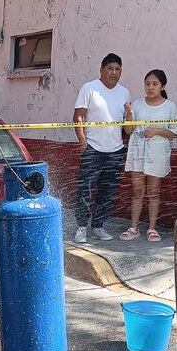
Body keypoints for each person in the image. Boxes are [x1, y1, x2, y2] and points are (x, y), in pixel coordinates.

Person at [73, 53, 130, 243]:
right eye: (110, 69)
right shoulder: (89, 88)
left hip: (115, 151)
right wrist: (82, 141)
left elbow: (126, 124)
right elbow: (78, 116)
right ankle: (81, 227)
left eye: (117, 69)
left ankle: (98, 226)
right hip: (93, 149)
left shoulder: (124, 93)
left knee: (108, 191)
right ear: (102, 70)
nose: (114, 73)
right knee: (85, 190)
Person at [120, 70, 177, 243]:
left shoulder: (170, 106)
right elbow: (128, 130)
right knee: (137, 192)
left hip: (157, 155)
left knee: (153, 193)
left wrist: (158, 131)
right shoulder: (137, 104)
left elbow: (176, 132)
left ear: (162, 86)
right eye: (147, 84)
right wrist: (129, 113)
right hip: (137, 153)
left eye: (154, 84)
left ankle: (152, 229)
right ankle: (134, 228)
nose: (150, 87)